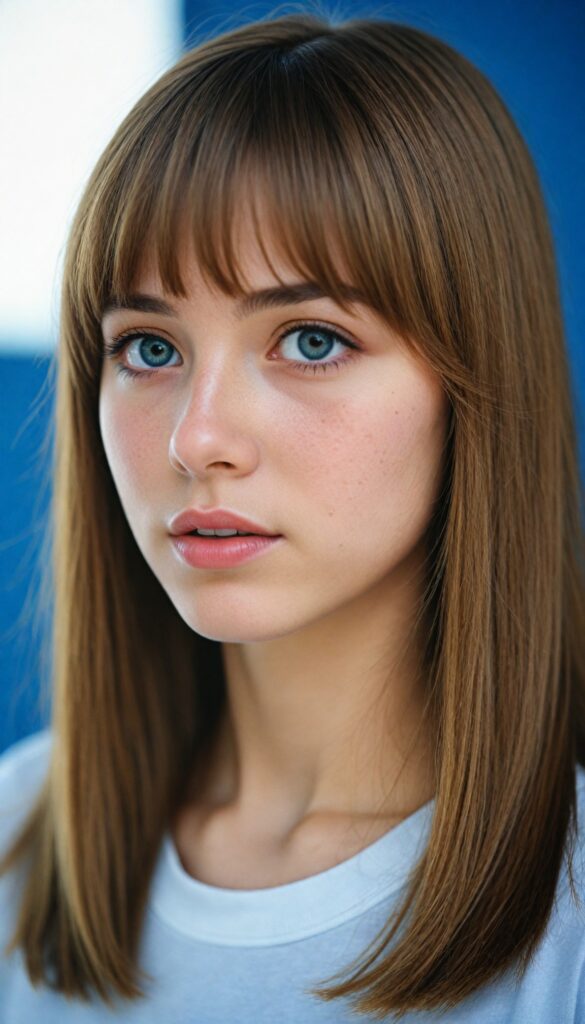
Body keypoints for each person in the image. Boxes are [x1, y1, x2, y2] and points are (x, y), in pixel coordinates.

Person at [1, 9, 584, 1022]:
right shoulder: (15, 842)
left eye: (310, 340)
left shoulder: (567, 924)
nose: (198, 437)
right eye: (148, 346)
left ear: (473, 382)